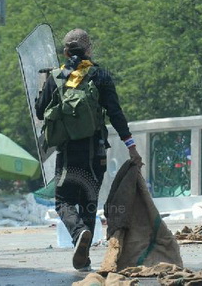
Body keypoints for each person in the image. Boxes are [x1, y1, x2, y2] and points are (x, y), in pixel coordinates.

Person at [35, 28, 142, 271]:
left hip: (68, 151)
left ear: (65, 51)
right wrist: (131, 147)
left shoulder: (57, 76)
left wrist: (44, 88)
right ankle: (83, 252)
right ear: (89, 50)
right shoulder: (99, 75)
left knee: (63, 200)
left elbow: (41, 112)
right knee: (89, 201)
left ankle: (79, 233)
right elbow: (115, 113)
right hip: (95, 152)